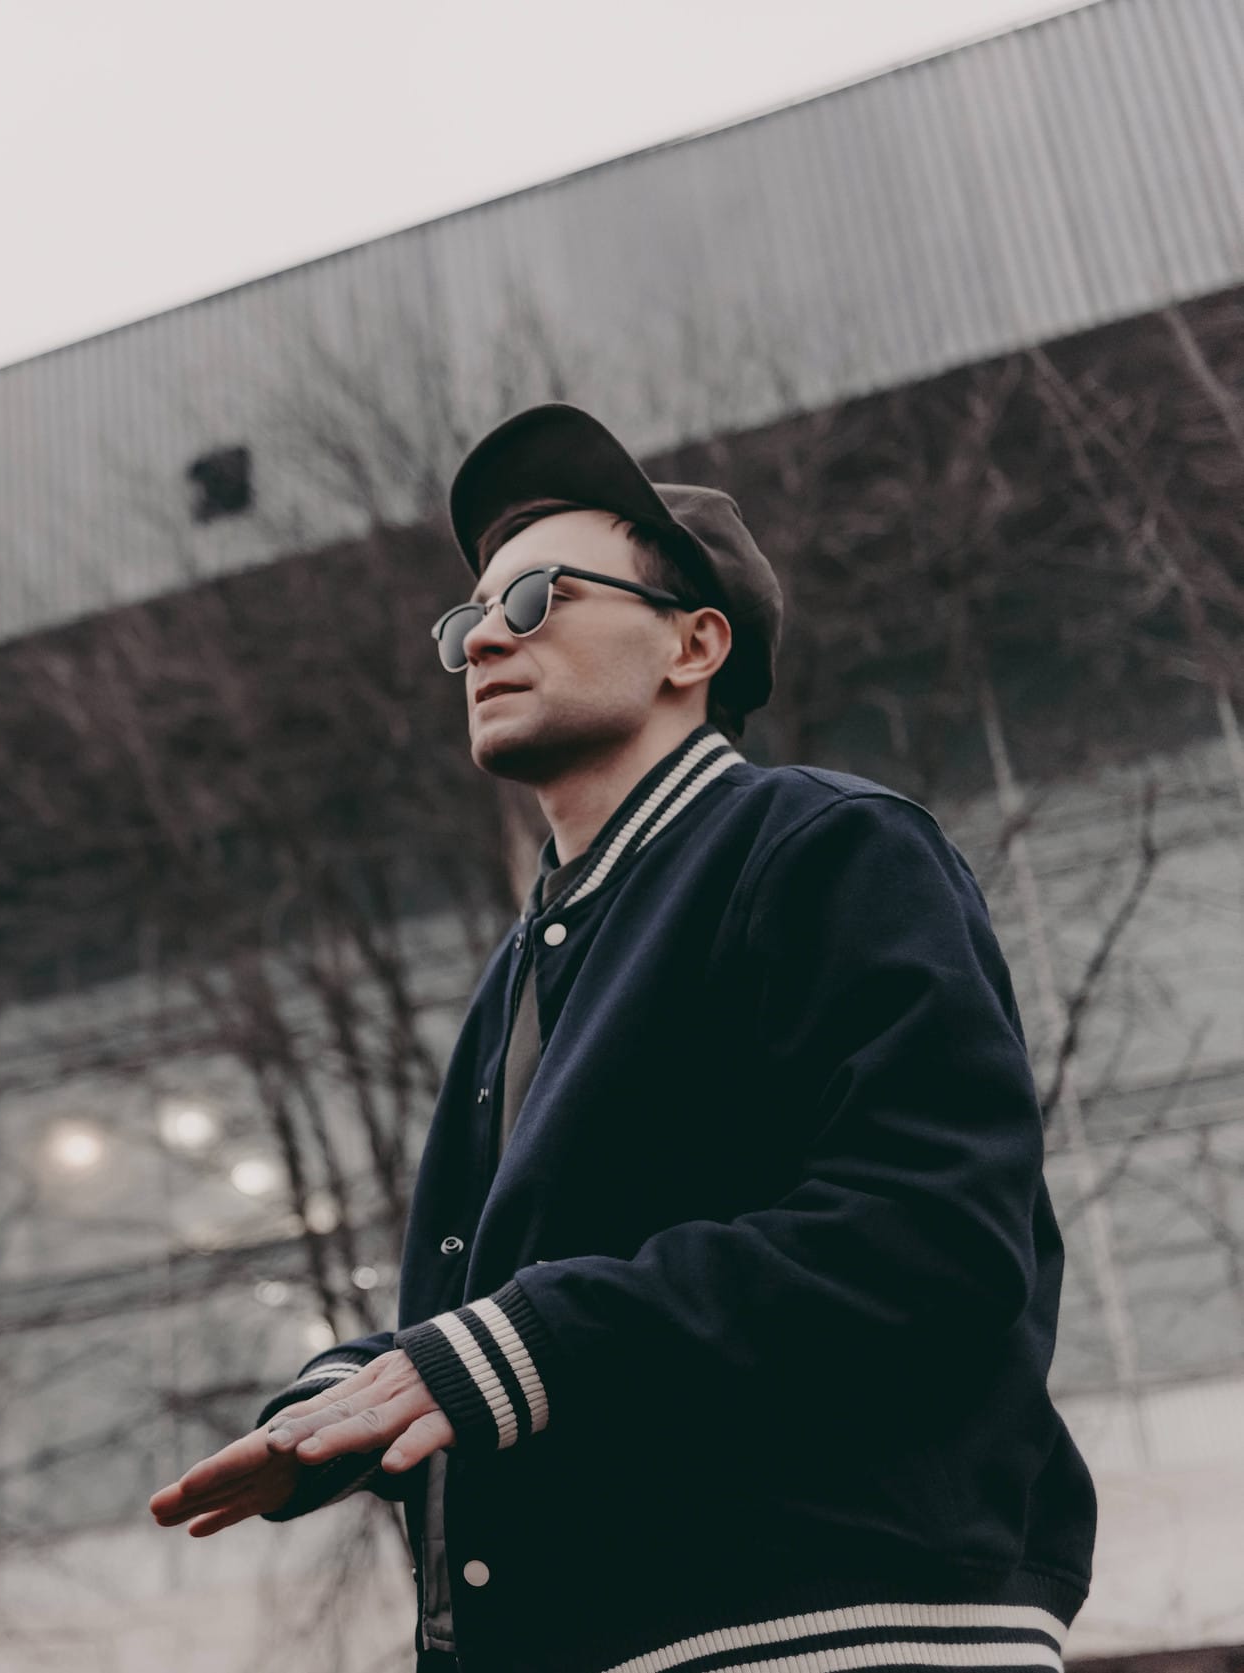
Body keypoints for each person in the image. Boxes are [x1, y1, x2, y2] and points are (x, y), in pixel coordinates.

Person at [150, 403, 1095, 1671]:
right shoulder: (528, 964)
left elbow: (933, 1235)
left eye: (537, 595)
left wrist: (505, 1348)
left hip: (822, 1628)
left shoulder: (821, 843)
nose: (482, 633)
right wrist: (362, 1390)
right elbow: (538, 1315)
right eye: (468, 614)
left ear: (691, 642)